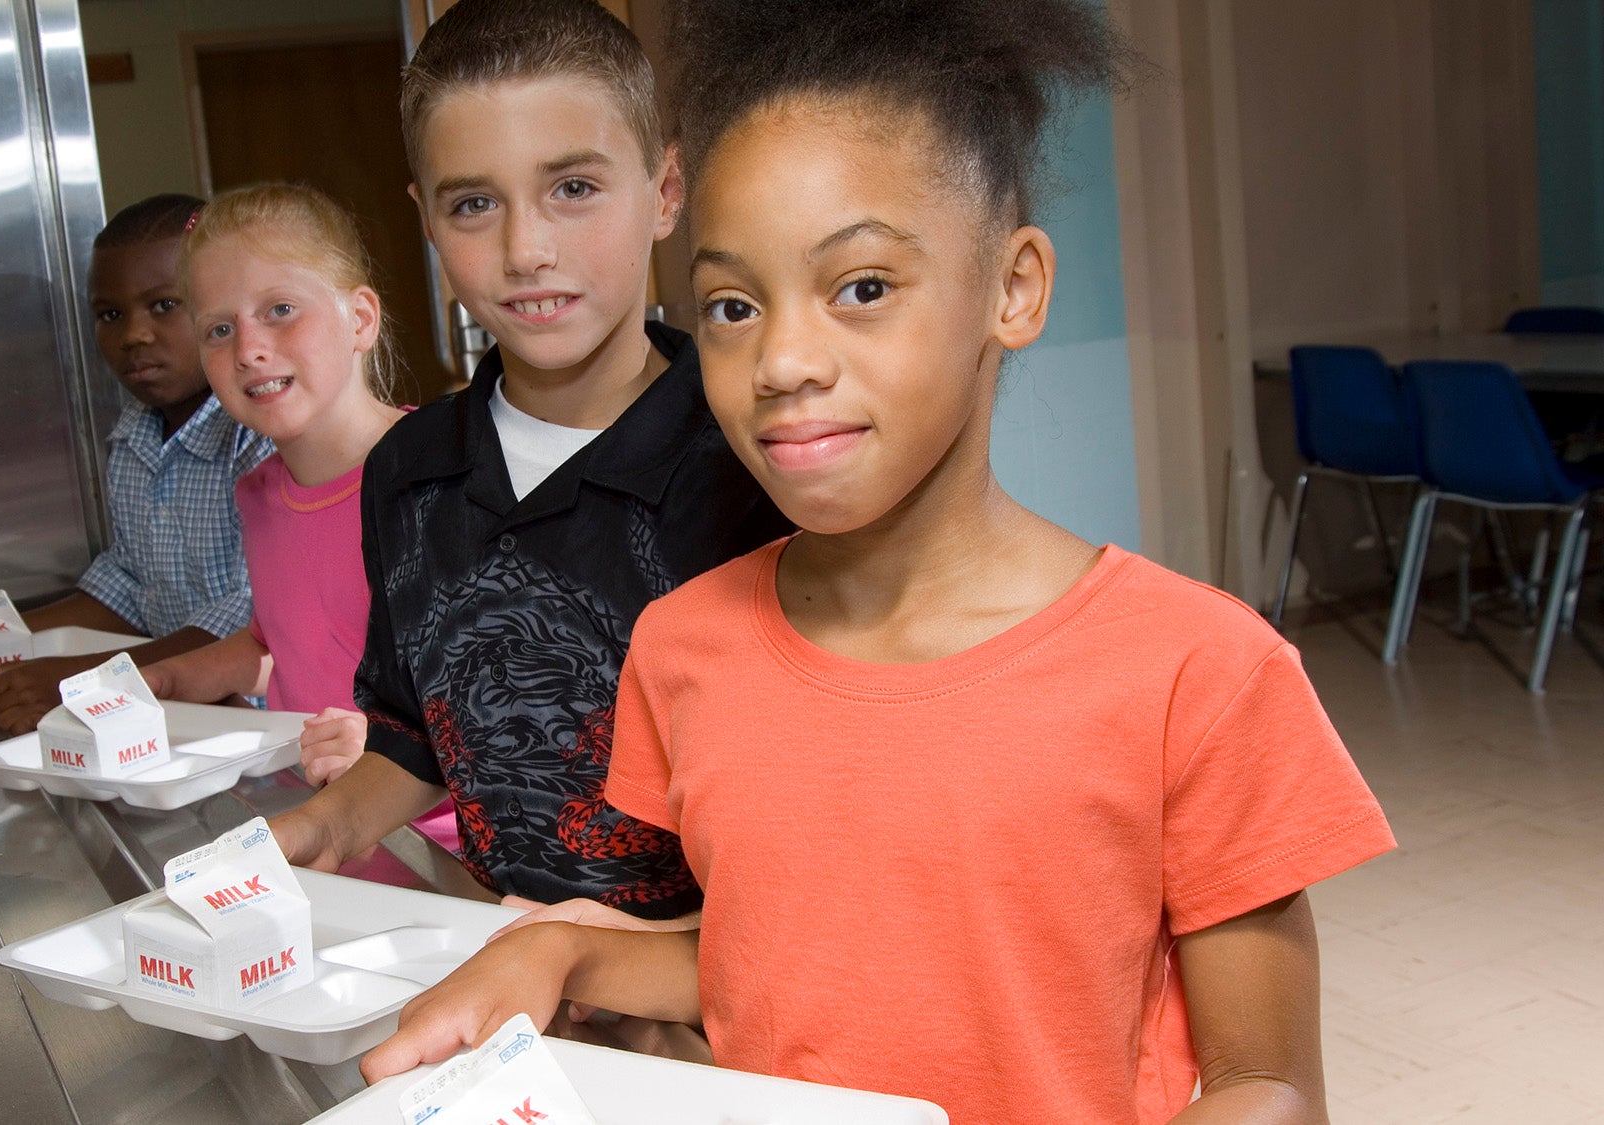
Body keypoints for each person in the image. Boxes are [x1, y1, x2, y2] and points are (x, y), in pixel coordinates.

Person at [364, 1, 1397, 1120]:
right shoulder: (683, 647)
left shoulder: (1195, 672)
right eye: (731, 306)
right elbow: (766, 971)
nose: (784, 360)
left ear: (1011, 289)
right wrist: (563, 954)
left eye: (860, 288)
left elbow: (1268, 1080)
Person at [265, 0, 786, 918]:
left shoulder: (760, 455)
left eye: (573, 188)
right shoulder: (409, 471)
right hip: (515, 1003)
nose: (526, 251)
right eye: (474, 204)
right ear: (425, 218)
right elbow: (415, 737)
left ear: (666, 191)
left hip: (730, 1022)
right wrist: (320, 829)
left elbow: (832, 807)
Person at [134, 183, 454, 850]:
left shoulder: (444, 481)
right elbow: (276, 641)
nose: (249, 348)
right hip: (327, 838)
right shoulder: (257, 497)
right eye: (220, 329)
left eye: (280, 309)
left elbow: (510, 694)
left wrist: (394, 752)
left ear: (360, 318)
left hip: (446, 855)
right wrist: (168, 677)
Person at [0, 194, 270, 734]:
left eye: (164, 305)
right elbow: (129, 585)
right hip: (166, 716)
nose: (134, 334)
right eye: (110, 314)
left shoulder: (259, 438)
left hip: (259, 731)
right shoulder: (134, 439)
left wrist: (82, 679)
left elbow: (254, 617)